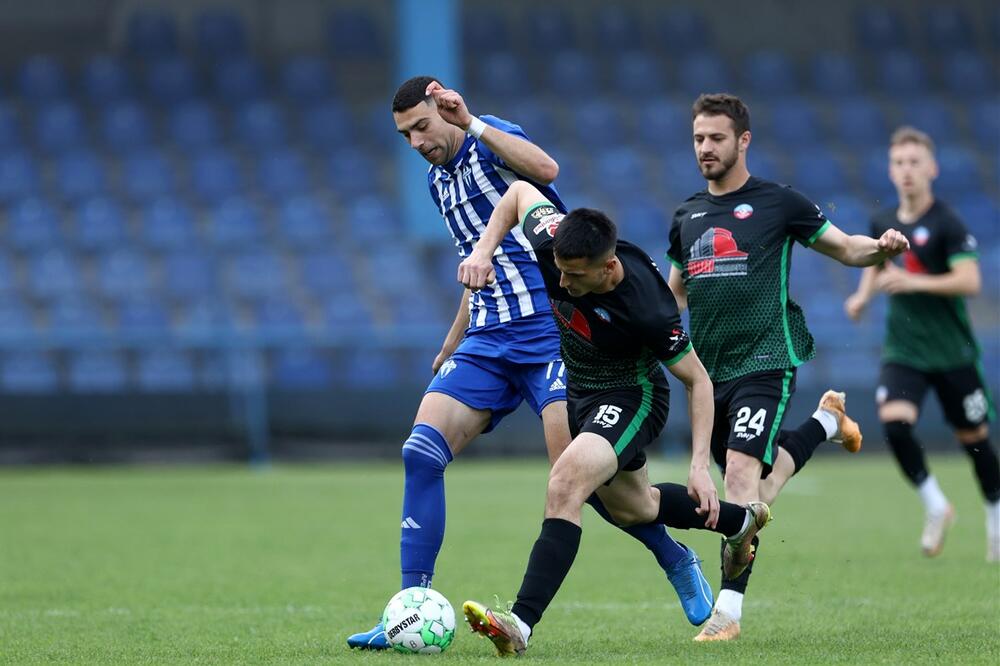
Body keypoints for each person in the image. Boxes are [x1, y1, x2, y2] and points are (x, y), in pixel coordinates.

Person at [347, 77, 712, 649]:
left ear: (444, 111)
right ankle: (409, 610)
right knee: (420, 452)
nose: (416, 142)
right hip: (487, 338)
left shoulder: (489, 137)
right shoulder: (437, 182)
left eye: (422, 126)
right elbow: (480, 261)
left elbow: (545, 170)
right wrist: (453, 340)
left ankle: (674, 556)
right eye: (405, 135)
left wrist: (472, 122)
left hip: (551, 333)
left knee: (583, 483)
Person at [458, 181, 772, 657]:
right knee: (635, 508)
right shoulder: (556, 240)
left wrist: (698, 467)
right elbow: (520, 191)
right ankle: (739, 522)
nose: (562, 283)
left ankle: (520, 624)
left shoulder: (648, 307)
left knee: (565, 483)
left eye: (574, 276)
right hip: (579, 388)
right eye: (559, 270)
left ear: (607, 268)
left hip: (631, 396)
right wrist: (483, 251)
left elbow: (698, 381)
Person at [666, 93, 911, 641]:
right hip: (707, 376)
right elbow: (673, 295)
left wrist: (882, 248)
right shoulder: (686, 215)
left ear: (743, 140)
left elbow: (846, 248)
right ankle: (826, 423)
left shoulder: (779, 203)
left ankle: (727, 614)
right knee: (758, 491)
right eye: (699, 138)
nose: (705, 148)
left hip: (766, 359)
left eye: (716, 138)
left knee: (738, 479)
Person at [844, 126, 998, 562]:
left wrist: (913, 282)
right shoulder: (883, 223)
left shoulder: (947, 223)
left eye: (915, 162)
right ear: (890, 171)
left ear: (932, 169)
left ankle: (995, 516)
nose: (906, 170)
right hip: (905, 349)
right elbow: (876, 263)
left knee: (975, 440)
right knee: (894, 424)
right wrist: (862, 297)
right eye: (899, 163)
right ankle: (936, 505)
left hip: (951, 352)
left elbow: (969, 280)